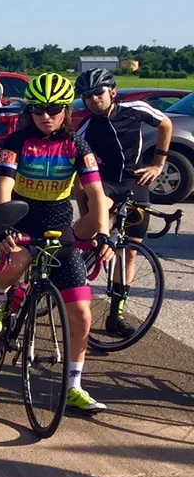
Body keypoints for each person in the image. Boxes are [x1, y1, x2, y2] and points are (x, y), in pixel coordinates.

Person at [0, 72, 111, 413]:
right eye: (38, 109)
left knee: (81, 313)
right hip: (22, 218)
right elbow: (3, 187)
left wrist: (103, 233)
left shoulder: (78, 146)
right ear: (30, 112)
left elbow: (96, 194)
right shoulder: (17, 142)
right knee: (18, 261)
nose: (46, 115)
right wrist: (4, 226)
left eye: (53, 109)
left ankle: (74, 386)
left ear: (65, 110)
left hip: (59, 225)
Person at [75, 67, 173, 336]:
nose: (93, 100)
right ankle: (85, 248)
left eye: (98, 93)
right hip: (106, 183)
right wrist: (85, 209)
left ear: (112, 92)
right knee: (101, 209)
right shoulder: (86, 128)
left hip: (136, 181)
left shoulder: (135, 108)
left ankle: (116, 315)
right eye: (87, 96)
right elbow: (78, 177)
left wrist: (158, 164)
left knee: (130, 251)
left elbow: (165, 124)